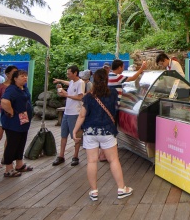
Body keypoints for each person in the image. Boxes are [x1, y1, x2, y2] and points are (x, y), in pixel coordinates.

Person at [75, 68, 133, 201]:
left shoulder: (88, 96)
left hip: (90, 131)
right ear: (106, 80)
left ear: (93, 80)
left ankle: (94, 191)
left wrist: (75, 129)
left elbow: (82, 115)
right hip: (107, 130)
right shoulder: (112, 93)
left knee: (91, 161)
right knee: (113, 160)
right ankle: (121, 188)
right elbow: (118, 105)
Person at [0, 68, 33, 177]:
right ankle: (8, 168)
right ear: (15, 78)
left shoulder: (23, 88)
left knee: (21, 142)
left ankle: (19, 164)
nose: (25, 78)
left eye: (26, 76)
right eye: (22, 76)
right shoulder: (11, 89)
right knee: (12, 144)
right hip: (13, 123)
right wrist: (12, 112)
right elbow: (4, 102)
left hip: (24, 121)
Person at [53, 66, 85, 166]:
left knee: (76, 135)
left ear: (75, 73)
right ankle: (61, 155)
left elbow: (80, 97)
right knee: (63, 135)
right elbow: (69, 90)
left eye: (69, 73)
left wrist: (66, 95)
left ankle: (75, 156)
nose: (68, 75)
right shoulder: (72, 82)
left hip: (75, 113)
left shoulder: (80, 83)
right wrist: (61, 87)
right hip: (67, 112)